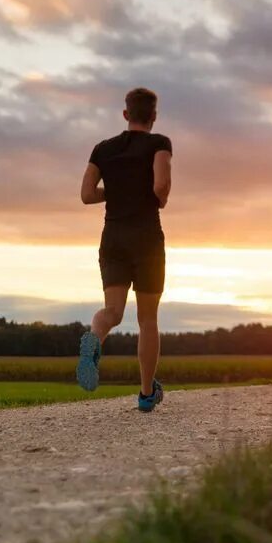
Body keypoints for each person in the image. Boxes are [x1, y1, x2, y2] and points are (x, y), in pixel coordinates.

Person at [76, 87, 172, 412]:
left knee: (113, 313)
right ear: (154, 116)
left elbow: (87, 194)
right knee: (147, 319)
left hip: (113, 238)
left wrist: (116, 190)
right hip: (146, 238)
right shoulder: (159, 144)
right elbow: (160, 185)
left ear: (126, 114)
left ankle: (95, 338)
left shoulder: (103, 149)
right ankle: (147, 393)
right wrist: (157, 196)